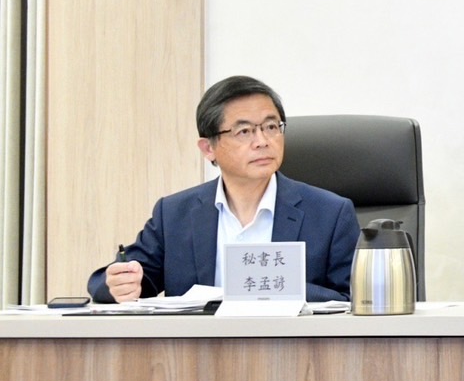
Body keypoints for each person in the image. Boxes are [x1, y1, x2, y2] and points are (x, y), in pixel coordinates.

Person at [86, 75, 360, 303]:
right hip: (200, 349)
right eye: (244, 131)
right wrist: (119, 285)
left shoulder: (330, 214)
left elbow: (354, 299)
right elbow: (111, 280)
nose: (262, 141)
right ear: (208, 148)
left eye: (271, 127)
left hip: (294, 349)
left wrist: (273, 287)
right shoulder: (174, 214)